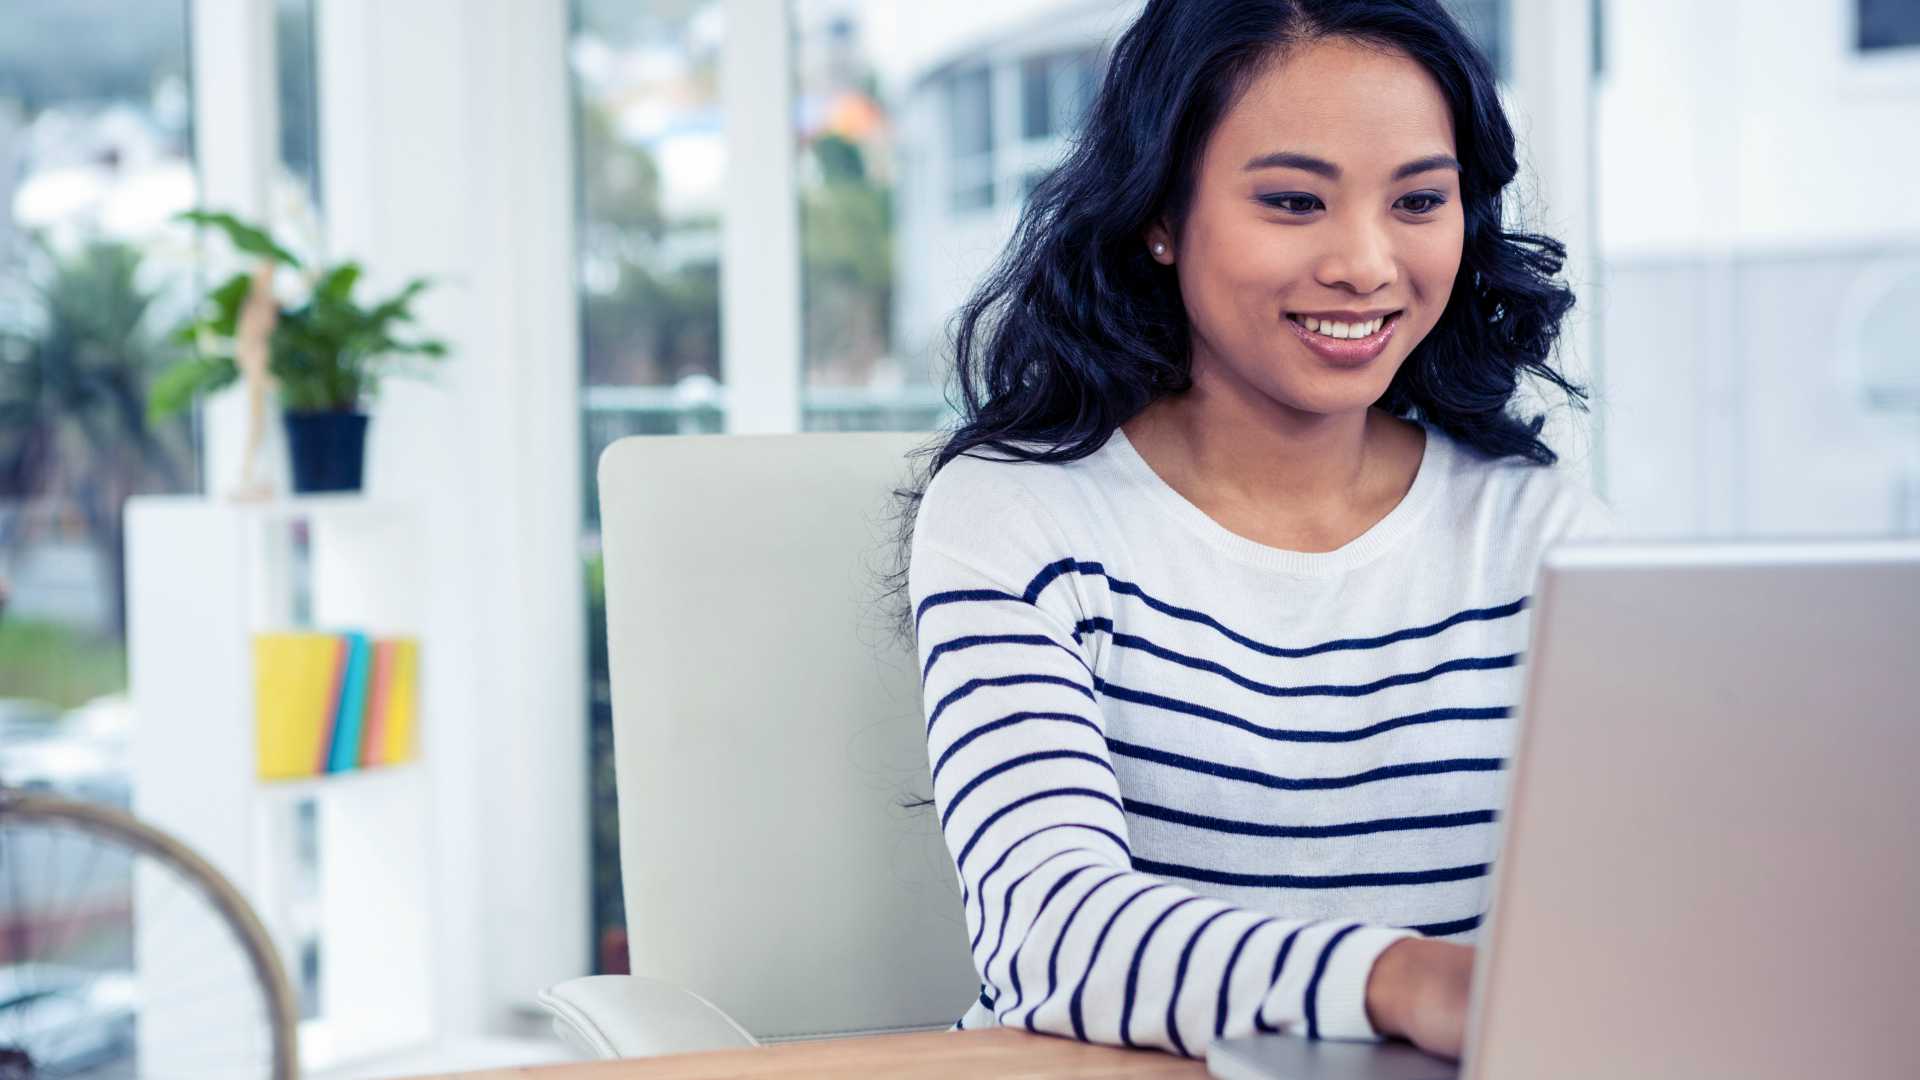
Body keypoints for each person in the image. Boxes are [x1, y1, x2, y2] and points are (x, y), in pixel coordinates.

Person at [898, 0, 1609, 1063]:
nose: (1367, 263)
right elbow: (1046, 932)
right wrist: (1398, 977)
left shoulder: (1535, 527)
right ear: (1162, 214)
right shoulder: (1022, 512)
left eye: (1419, 199)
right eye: (1292, 201)